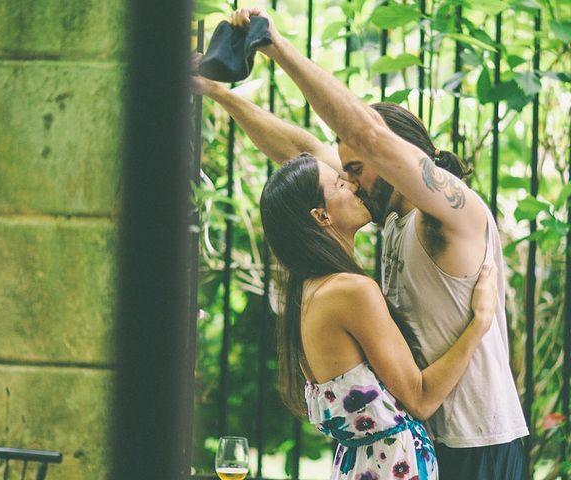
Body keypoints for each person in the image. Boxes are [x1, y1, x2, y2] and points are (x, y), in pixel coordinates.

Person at [193, 7, 529, 478]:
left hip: (480, 444)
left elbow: (366, 136)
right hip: (425, 438)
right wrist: (219, 95)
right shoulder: (389, 218)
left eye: (355, 169)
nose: (348, 181)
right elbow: (301, 153)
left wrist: (275, 47)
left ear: (397, 162)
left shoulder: (454, 216)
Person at [259, 152, 497, 479]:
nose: (354, 185)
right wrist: (479, 323)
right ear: (321, 216)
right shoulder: (351, 291)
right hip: (392, 467)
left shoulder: (309, 294)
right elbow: (421, 398)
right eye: (341, 184)